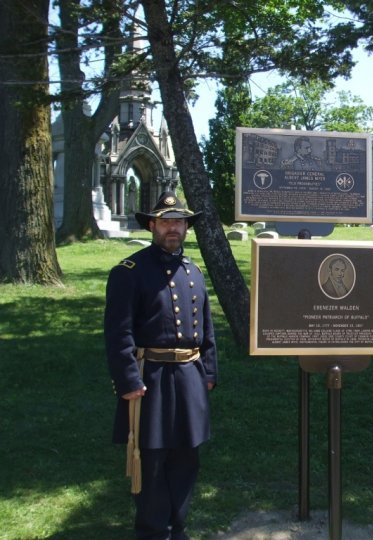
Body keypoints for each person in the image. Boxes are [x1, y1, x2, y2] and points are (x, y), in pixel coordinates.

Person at [104, 192, 218, 540]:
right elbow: (118, 332)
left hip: (189, 379)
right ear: (152, 225)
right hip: (149, 378)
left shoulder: (193, 271)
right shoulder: (130, 272)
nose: (173, 228)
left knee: (187, 457)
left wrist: (208, 373)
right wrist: (127, 379)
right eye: (166, 221)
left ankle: (178, 528)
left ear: (186, 227)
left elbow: (207, 328)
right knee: (151, 460)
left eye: (179, 222)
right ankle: (154, 532)